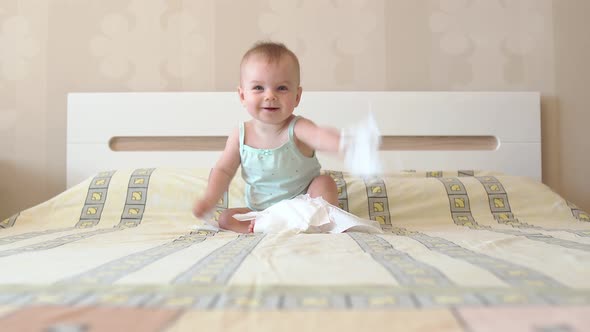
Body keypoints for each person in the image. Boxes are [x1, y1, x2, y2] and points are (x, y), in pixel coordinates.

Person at [193, 41, 341, 233]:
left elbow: (319, 136)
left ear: (297, 96)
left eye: (281, 88)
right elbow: (223, 170)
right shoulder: (240, 135)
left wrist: (339, 143)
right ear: (242, 95)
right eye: (258, 88)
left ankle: (316, 223)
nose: (270, 95)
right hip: (261, 211)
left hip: (303, 206)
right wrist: (209, 199)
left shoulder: (298, 128)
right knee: (226, 218)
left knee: (325, 183)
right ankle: (264, 226)